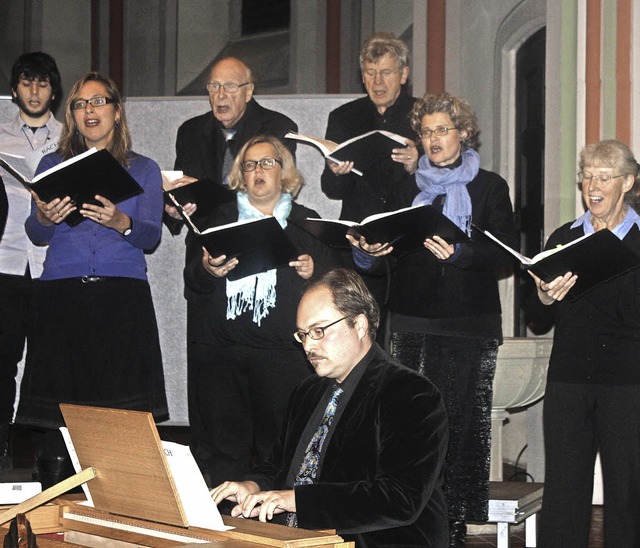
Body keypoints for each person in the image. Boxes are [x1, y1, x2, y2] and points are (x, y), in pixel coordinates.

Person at [351, 91, 518, 547]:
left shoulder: (489, 187)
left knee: (462, 427)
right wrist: (369, 254)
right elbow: (388, 258)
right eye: (426, 132)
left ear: (463, 133)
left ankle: (456, 527)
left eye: (442, 130)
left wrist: (462, 253)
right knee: (410, 425)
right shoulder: (406, 190)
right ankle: (410, 516)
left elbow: (506, 252)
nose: (433, 139)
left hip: (468, 324)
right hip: (409, 321)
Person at [211, 268, 449, 548]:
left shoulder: (410, 392)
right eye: (303, 335)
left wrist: (295, 500)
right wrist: (252, 486)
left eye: (319, 331)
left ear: (359, 325)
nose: (309, 345)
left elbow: (400, 499)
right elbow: (277, 466)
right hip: (297, 539)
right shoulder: (307, 392)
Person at [15, 72, 168, 466]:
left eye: (99, 101)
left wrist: (121, 222)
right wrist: (47, 218)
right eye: (81, 104)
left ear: (117, 112)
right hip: (62, 296)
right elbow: (35, 233)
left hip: (121, 297)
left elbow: (150, 236)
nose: (90, 110)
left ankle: (122, 504)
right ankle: (53, 504)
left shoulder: (144, 169)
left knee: (121, 417)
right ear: (73, 116)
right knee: (58, 416)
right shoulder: (52, 164)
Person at [183, 134, 339, 488]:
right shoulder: (217, 219)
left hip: (282, 357)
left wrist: (314, 269)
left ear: (284, 172)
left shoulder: (304, 222)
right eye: (250, 164)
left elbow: (333, 279)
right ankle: (227, 532)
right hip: (222, 356)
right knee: (226, 454)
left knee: (279, 450)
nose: (258, 171)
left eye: (267, 162)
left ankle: (276, 529)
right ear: (240, 173)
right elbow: (191, 282)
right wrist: (207, 270)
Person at [170, 57, 298, 473]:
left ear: (249, 90)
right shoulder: (191, 132)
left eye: (230, 87)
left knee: (273, 420)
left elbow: (270, 190)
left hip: (266, 282)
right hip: (211, 260)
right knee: (215, 404)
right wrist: (176, 209)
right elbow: (187, 201)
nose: (220, 96)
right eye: (213, 88)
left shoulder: (277, 127)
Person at [531, 140, 640, 547]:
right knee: (563, 491)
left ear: (627, 182)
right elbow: (537, 317)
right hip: (569, 380)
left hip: (627, 382)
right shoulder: (564, 237)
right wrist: (544, 295)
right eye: (587, 176)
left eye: (603, 176)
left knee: (627, 493)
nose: (592, 185)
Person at [320, 33, 419, 340]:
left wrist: (418, 163)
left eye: (386, 73)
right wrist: (337, 171)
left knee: (406, 338)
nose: (377, 82)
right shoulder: (343, 117)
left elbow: (442, 180)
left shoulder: (422, 115)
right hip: (359, 243)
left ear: (403, 74)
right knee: (360, 334)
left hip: (408, 242)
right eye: (370, 73)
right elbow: (330, 189)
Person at [0, 52, 62, 469]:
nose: (34, 91)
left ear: (53, 89)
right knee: (2, 361)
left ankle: (49, 458)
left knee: (50, 364)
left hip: (53, 264)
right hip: (4, 262)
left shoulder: (71, 134)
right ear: (15, 88)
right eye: (26, 82)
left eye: (41, 83)